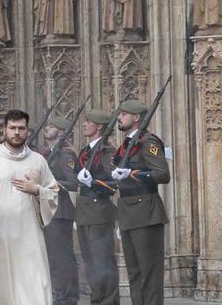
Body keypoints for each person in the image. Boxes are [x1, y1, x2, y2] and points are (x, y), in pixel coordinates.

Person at [0, 109, 59, 305]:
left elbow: (53, 193)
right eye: (12, 128)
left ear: (27, 131)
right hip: (1, 237)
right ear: (4, 130)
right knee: (5, 291)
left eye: (21, 128)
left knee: (37, 285)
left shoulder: (38, 161)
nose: (17, 132)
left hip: (31, 236)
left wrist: (37, 190)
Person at [110, 100, 170, 305]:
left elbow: (162, 174)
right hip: (127, 211)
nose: (119, 117)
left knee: (149, 273)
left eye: (124, 114)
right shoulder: (126, 145)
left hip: (146, 212)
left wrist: (132, 173)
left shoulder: (148, 141)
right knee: (134, 272)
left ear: (136, 118)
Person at [75, 109, 120, 305]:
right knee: (90, 263)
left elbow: (113, 183)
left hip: (100, 212)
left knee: (103, 262)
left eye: (88, 122)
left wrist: (92, 183)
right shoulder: (86, 152)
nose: (84, 125)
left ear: (99, 126)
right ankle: (97, 299)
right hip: (85, 212)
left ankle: (108, 301)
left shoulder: (107, 152)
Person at [41, 117, 80, 305]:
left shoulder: (65, 154)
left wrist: (54, 183)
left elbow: (73, 183)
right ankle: (58, 294)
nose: (47, 128)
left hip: (60, 212)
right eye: (47, 126)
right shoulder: (47, 153)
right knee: (52, 257)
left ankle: (67, 298)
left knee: (61, 257)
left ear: (62, 132)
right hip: (48, 211)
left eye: (52, 127)